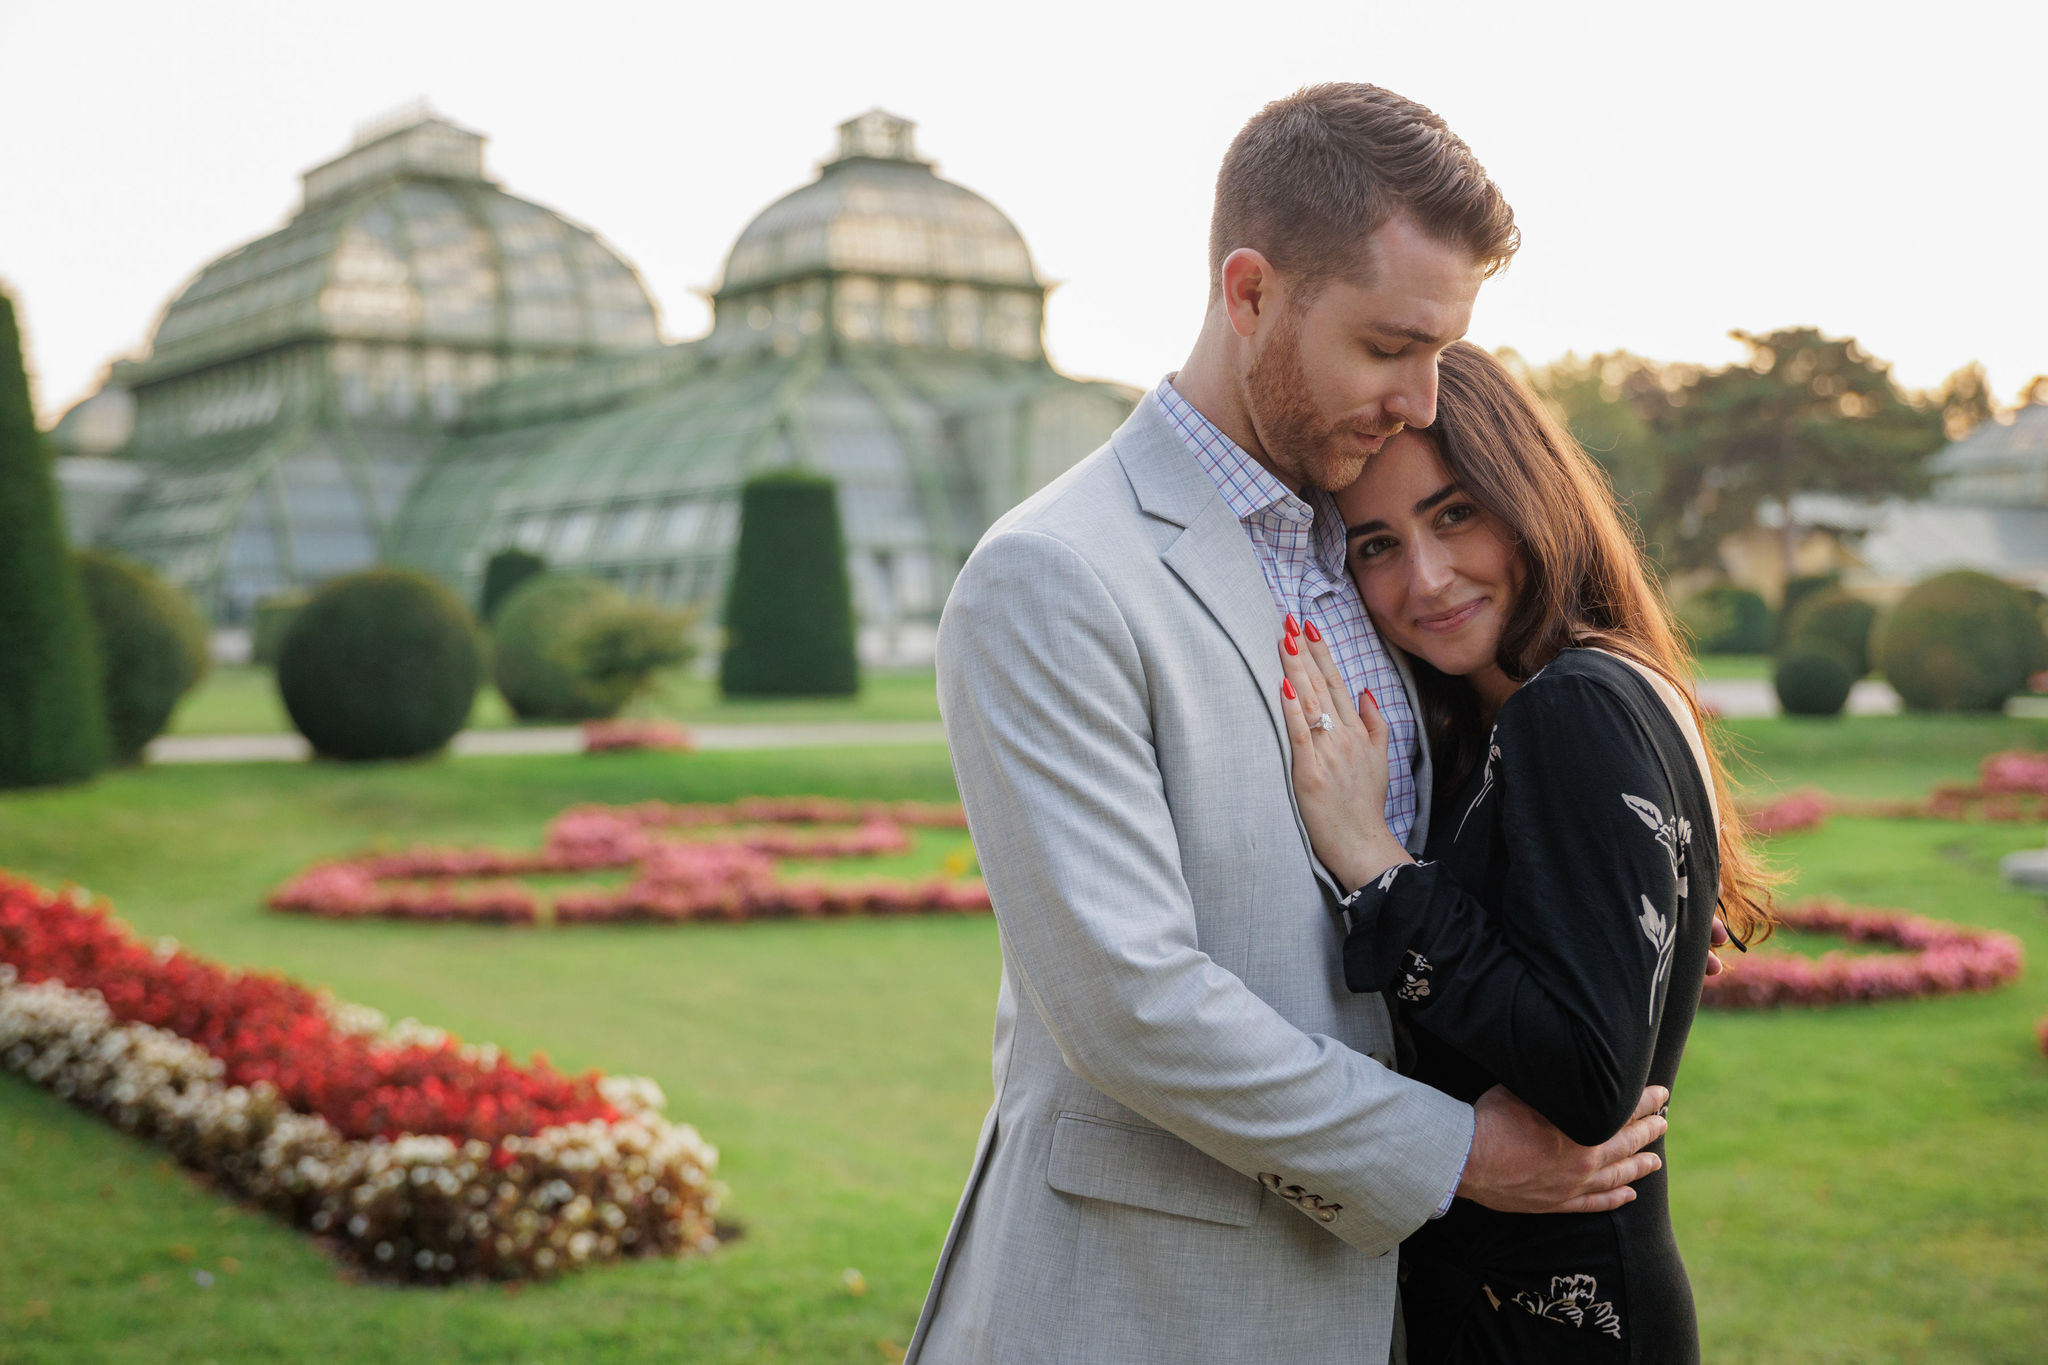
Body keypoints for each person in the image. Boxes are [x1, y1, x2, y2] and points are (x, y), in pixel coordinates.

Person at [905, 85, 1675, 1365]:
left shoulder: (1382, 558)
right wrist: (1461, 1155)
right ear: (1250, 291)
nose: (1423, 400)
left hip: (1398, 1313)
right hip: (1147, 1304)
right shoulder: (1054, 572)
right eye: (1387, 347)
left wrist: (1616, 899)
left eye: (1440, 352)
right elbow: (1128, 1004)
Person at [1275, 340, 1775, 1363]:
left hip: (1551, 1322)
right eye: (1372, 544)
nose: (1423, 578)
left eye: (1454, 513)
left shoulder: (1569, 706)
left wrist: (1376, 865)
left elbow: (1586, 1086)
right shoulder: (1587, 694)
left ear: (1528, 494)